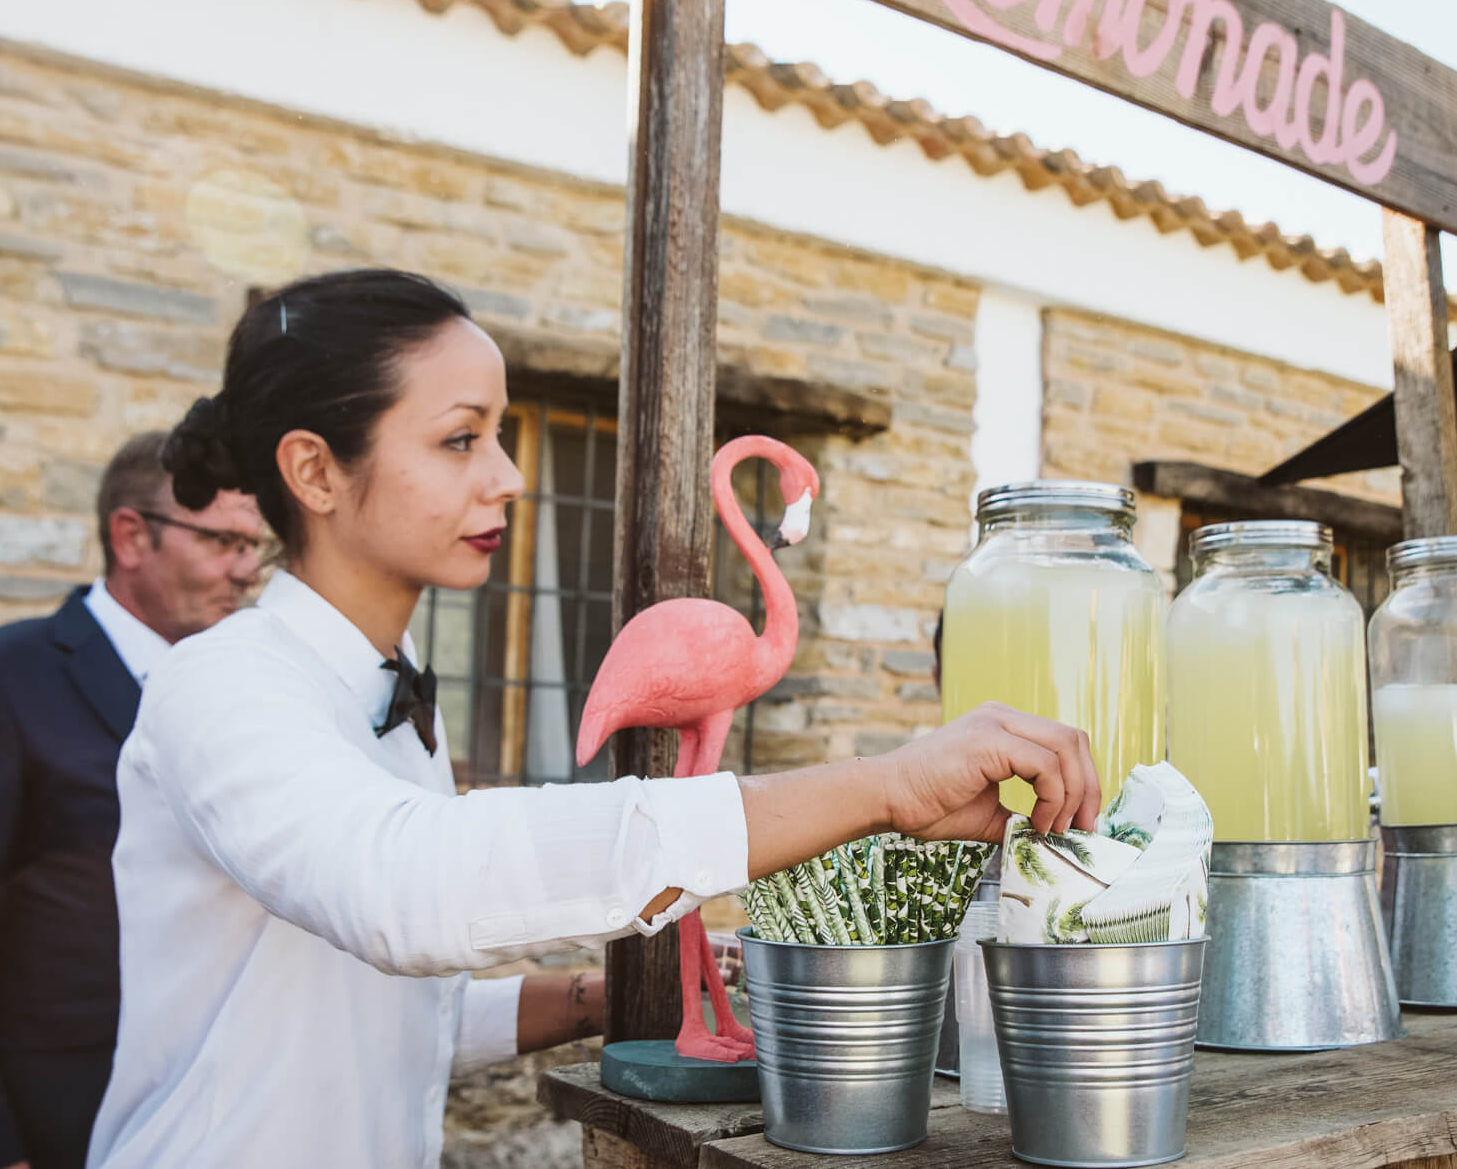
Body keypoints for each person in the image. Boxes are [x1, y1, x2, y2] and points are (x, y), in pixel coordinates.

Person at [84, 269, 1100, 1168]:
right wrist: (880, 785)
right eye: (459, 439)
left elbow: (391, 1013)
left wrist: (607, 994)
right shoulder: (219, 684)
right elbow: (403, 887)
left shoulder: (387, 689)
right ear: (313, 471)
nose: (509, 476)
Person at [0, 433, 264, 1169]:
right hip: (57, 1119)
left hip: (224, 1119)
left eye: (257, 547)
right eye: (225, 541)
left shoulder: (250, 699)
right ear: (131, 536)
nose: (249, 570)